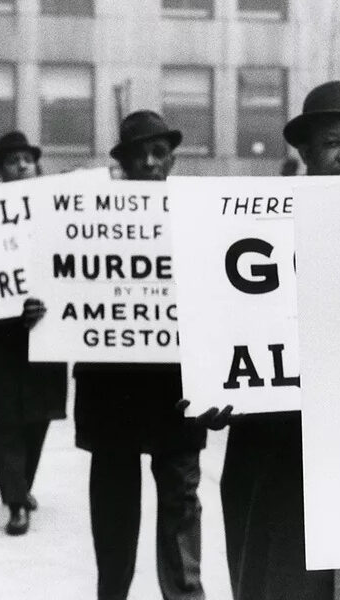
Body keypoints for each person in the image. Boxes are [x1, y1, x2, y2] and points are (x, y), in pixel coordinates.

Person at [217, 80, 340, 600]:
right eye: (332, 143)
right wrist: (213, 391)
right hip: (276, 453)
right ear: (304, 153)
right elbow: (221, 335)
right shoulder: (247, 230)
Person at [58, 110, 207, 600]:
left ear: (171, 160)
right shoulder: (84, 216)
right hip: (111, 391)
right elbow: (56, 281)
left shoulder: (195, 216)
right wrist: (47, 308)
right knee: (114, 507)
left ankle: (185, 595)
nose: (149, 162)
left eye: (159, 153)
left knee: (182, 501)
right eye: (139, 154)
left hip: (177, 390)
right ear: (121, 162)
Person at [0, 131, 66, 535]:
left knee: (40, 414)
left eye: (28, 158)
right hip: (0, 331)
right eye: (13, 160)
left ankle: (22, 483)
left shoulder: (59, 210)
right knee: (7, 415)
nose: (23, 165)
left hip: (46, 325)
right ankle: (14, 500)